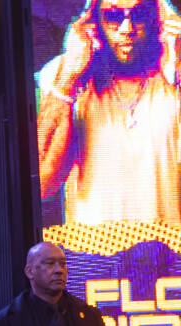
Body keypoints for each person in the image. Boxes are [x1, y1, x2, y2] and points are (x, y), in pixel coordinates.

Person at [37, 0, 181, 224]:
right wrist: (67, 78)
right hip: (94, 253)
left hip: (169, 253)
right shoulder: (65, 73)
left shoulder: (172, 72)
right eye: (113, 16)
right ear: (94, 21)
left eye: (140, 13)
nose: (127, 29)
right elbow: (43, 184)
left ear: (158, 18)